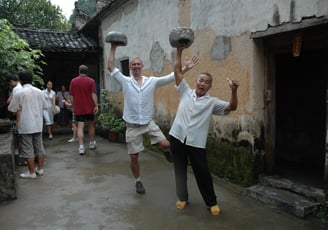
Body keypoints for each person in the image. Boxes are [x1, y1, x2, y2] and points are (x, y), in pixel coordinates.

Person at [107, 43, 198, 194]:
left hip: (148, 124)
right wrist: (113, 47)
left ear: (142, 66)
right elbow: (110, 66)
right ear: (130, 68)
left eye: (138, 64)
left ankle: (166, 152)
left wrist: (186, 68)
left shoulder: (151, 81)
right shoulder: (125, 81)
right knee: (134, 156)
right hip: (132, 126)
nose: (136, 66)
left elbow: (171, 77)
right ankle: (138, 181)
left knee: (165, 144)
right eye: (133, 64)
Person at [169, 46, 239, 216]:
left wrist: (234, 90)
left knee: (202, 173)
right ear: (196, 82)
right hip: (177, 137)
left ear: (209, 86)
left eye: (206, 82)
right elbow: (177, 71)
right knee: (179, 170)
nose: (202, 83)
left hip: (196, 143)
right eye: (200, 80)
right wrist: (179, 51)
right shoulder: (185, 91)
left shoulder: (212, 102)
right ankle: (182, 198)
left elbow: (232, 107)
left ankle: (211, 202)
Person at [8, 70, 47, 179]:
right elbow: (44, 106)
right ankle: (40, 169)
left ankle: (31, 172)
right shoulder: (39, 91)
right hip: (38, 123)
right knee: (39, 147)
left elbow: (11, 108)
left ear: (20, 80)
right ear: (32, 79)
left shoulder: (19, 93)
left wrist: (19, 108)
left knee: (28, 148)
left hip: (26, 124)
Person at [69, 65, 98, 155]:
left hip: (79, 108)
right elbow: (93, 94)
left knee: (80, 127)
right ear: (87, 72)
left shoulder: (73, 81)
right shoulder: (91, 81)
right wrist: (96, 105)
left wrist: (73, 106)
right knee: (91, 126)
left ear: (79, 71)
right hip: (89, 107)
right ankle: (92, 143)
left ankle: (81, 147)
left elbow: (71, 96)